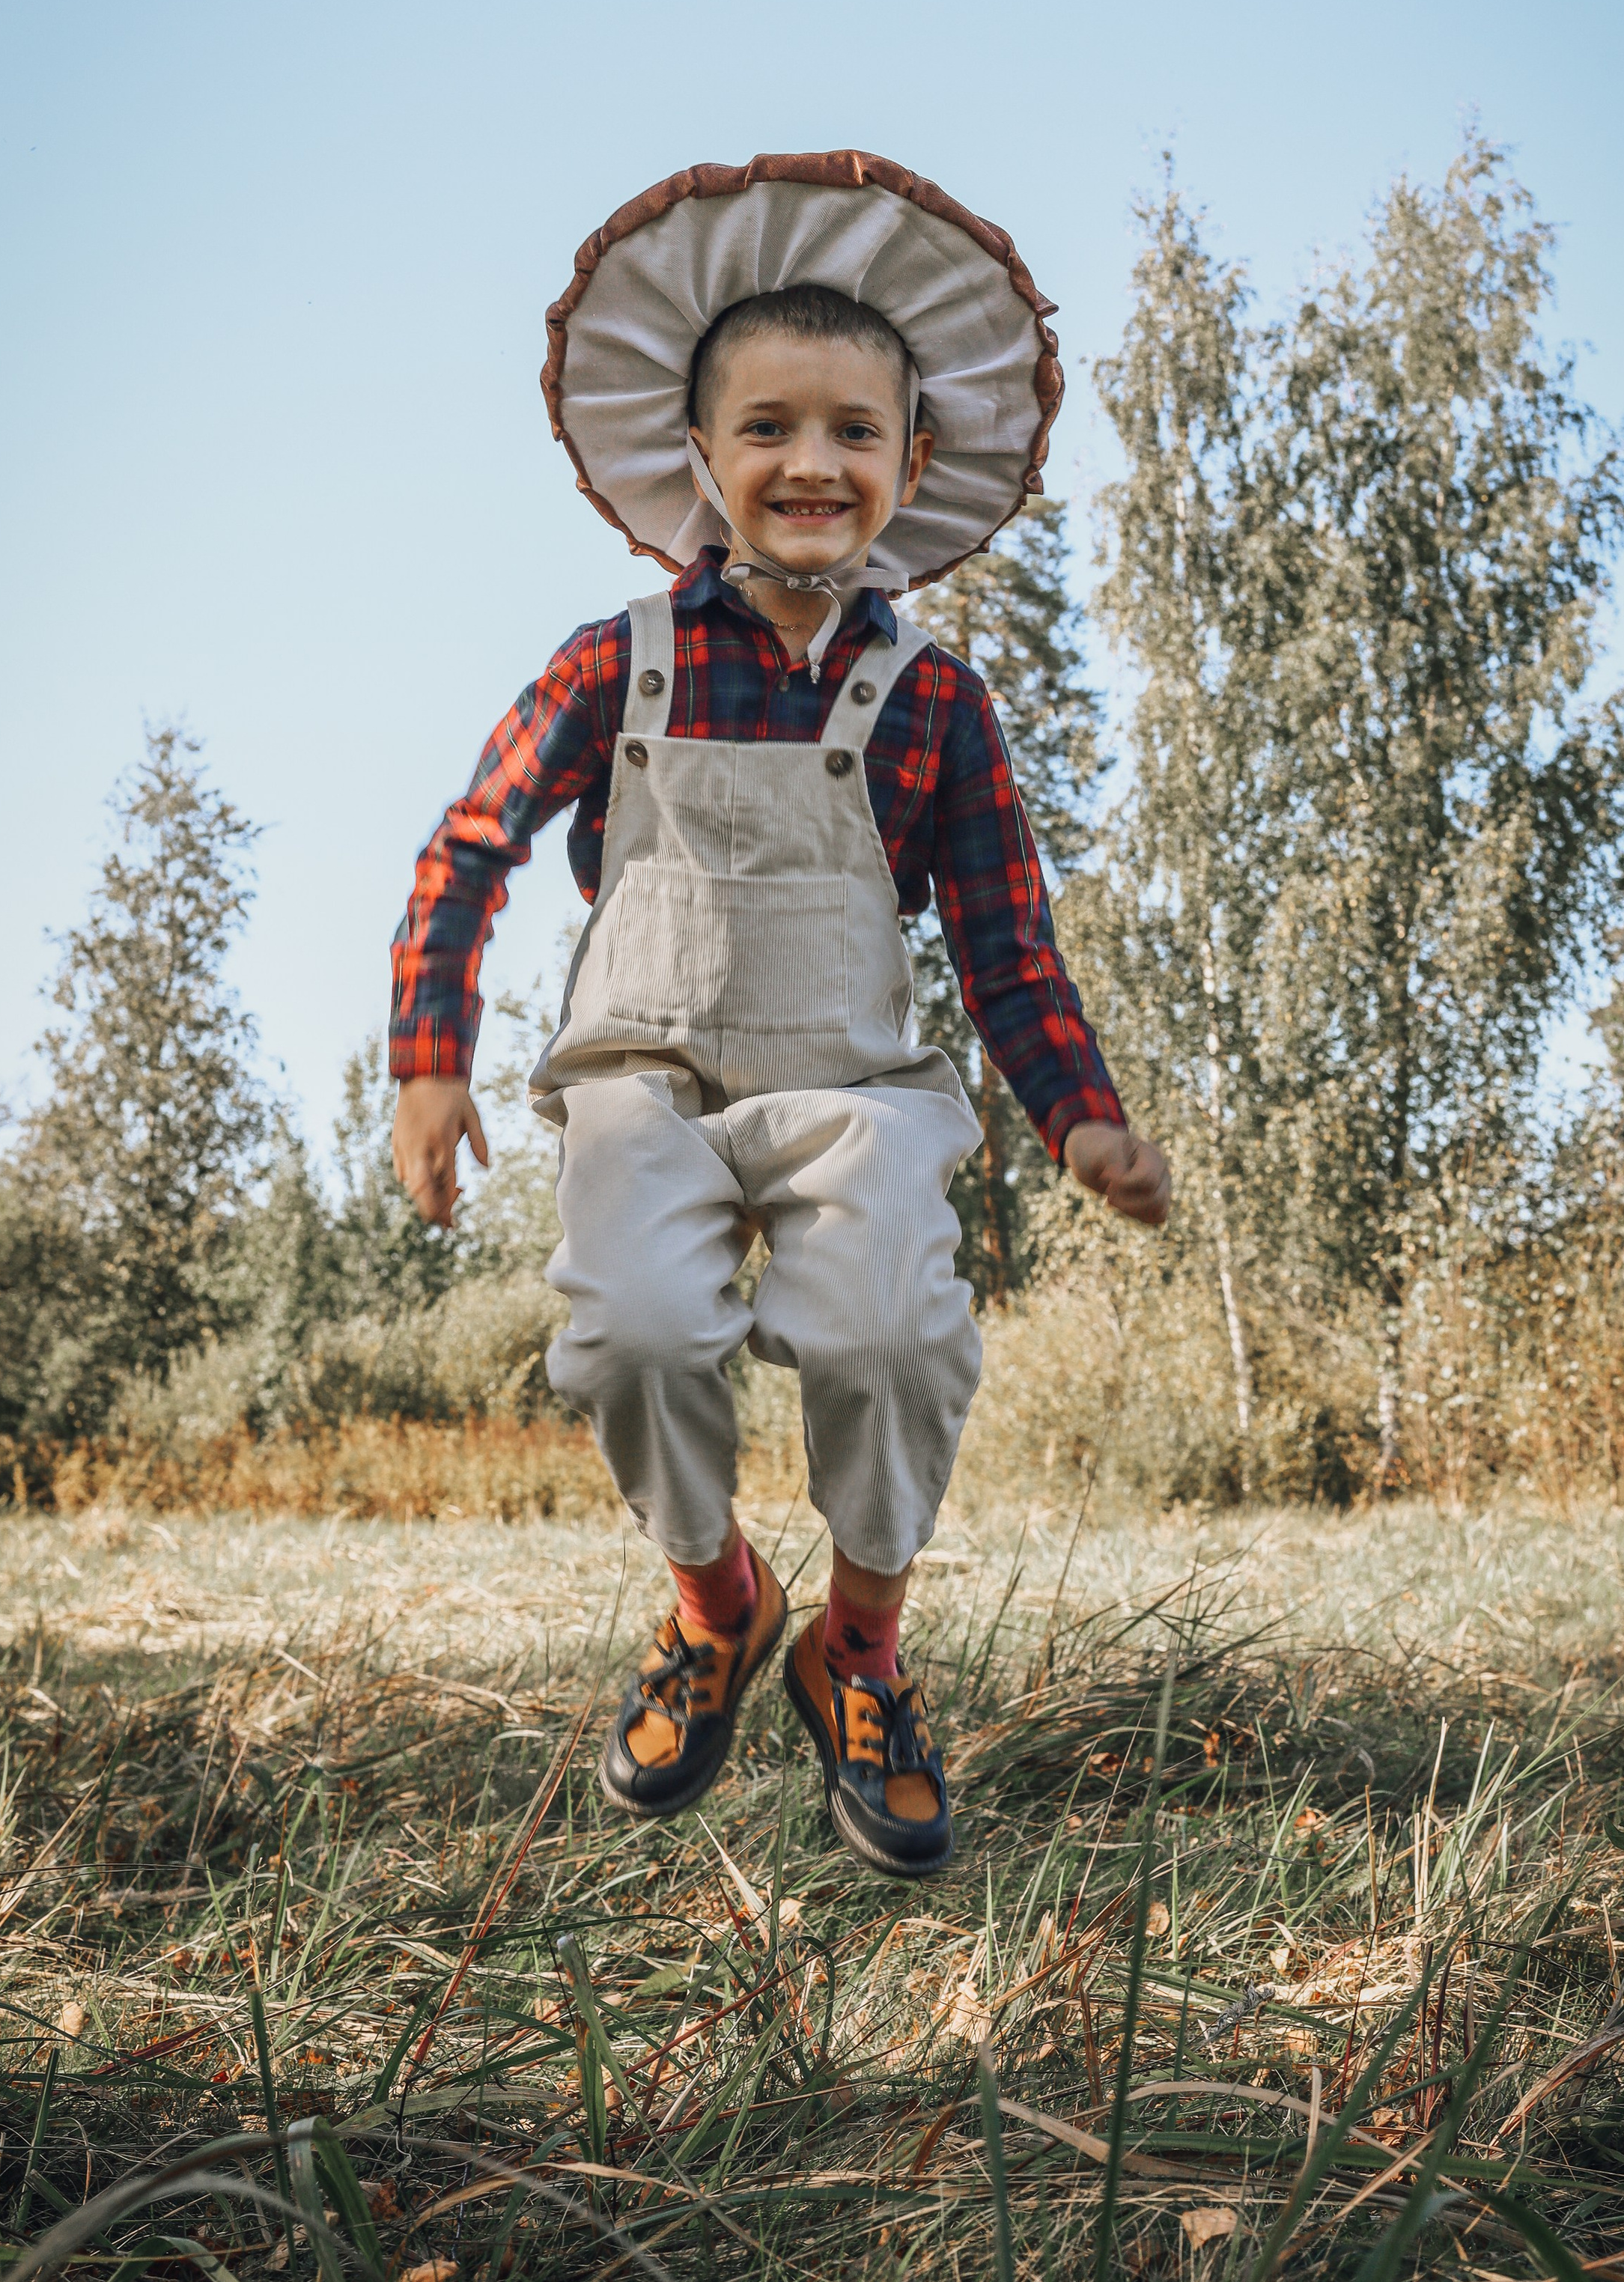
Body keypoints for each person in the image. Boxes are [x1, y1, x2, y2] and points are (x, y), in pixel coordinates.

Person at [389, 152, 1169, 1880]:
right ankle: (718, 1606)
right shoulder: (616, 663)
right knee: (631, 1336)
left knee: (894, 1337)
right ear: (699, 456)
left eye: (851, 431)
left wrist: (1078, 1116)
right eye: (766, 427)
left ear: (911, 465)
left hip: (854, 1086)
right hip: (642, 1078)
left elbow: (1007, 947)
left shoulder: (937, 703)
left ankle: (857, 1652)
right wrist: (430, 1059)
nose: (810, 461)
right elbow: (467, 847)